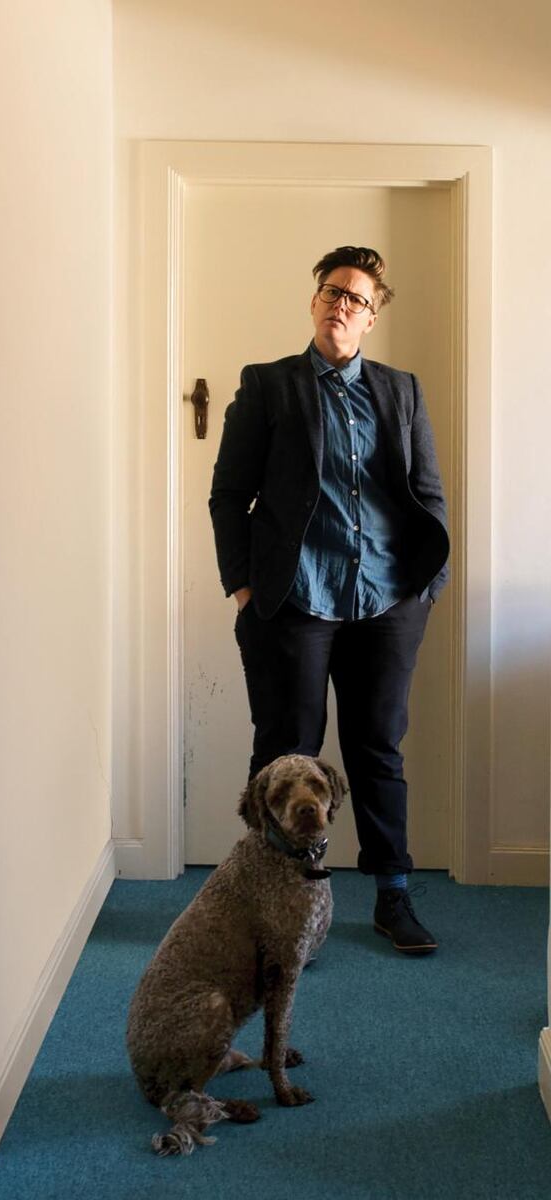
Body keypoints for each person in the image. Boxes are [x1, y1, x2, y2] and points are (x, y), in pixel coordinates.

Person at [209, 246, 449, 954]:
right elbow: (230, 494)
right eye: (332, 290)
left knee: (378, 748)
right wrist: (245, 584)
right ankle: (275, 904)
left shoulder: (401, 391)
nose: (343, 303)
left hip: (387, 601)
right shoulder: (269, 385)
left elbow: (426, 491)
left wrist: (427, 588)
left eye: (358, 298)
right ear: (315, 301)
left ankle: (392, 895)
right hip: (296, 600)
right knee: (287, 752)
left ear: (372, 318)